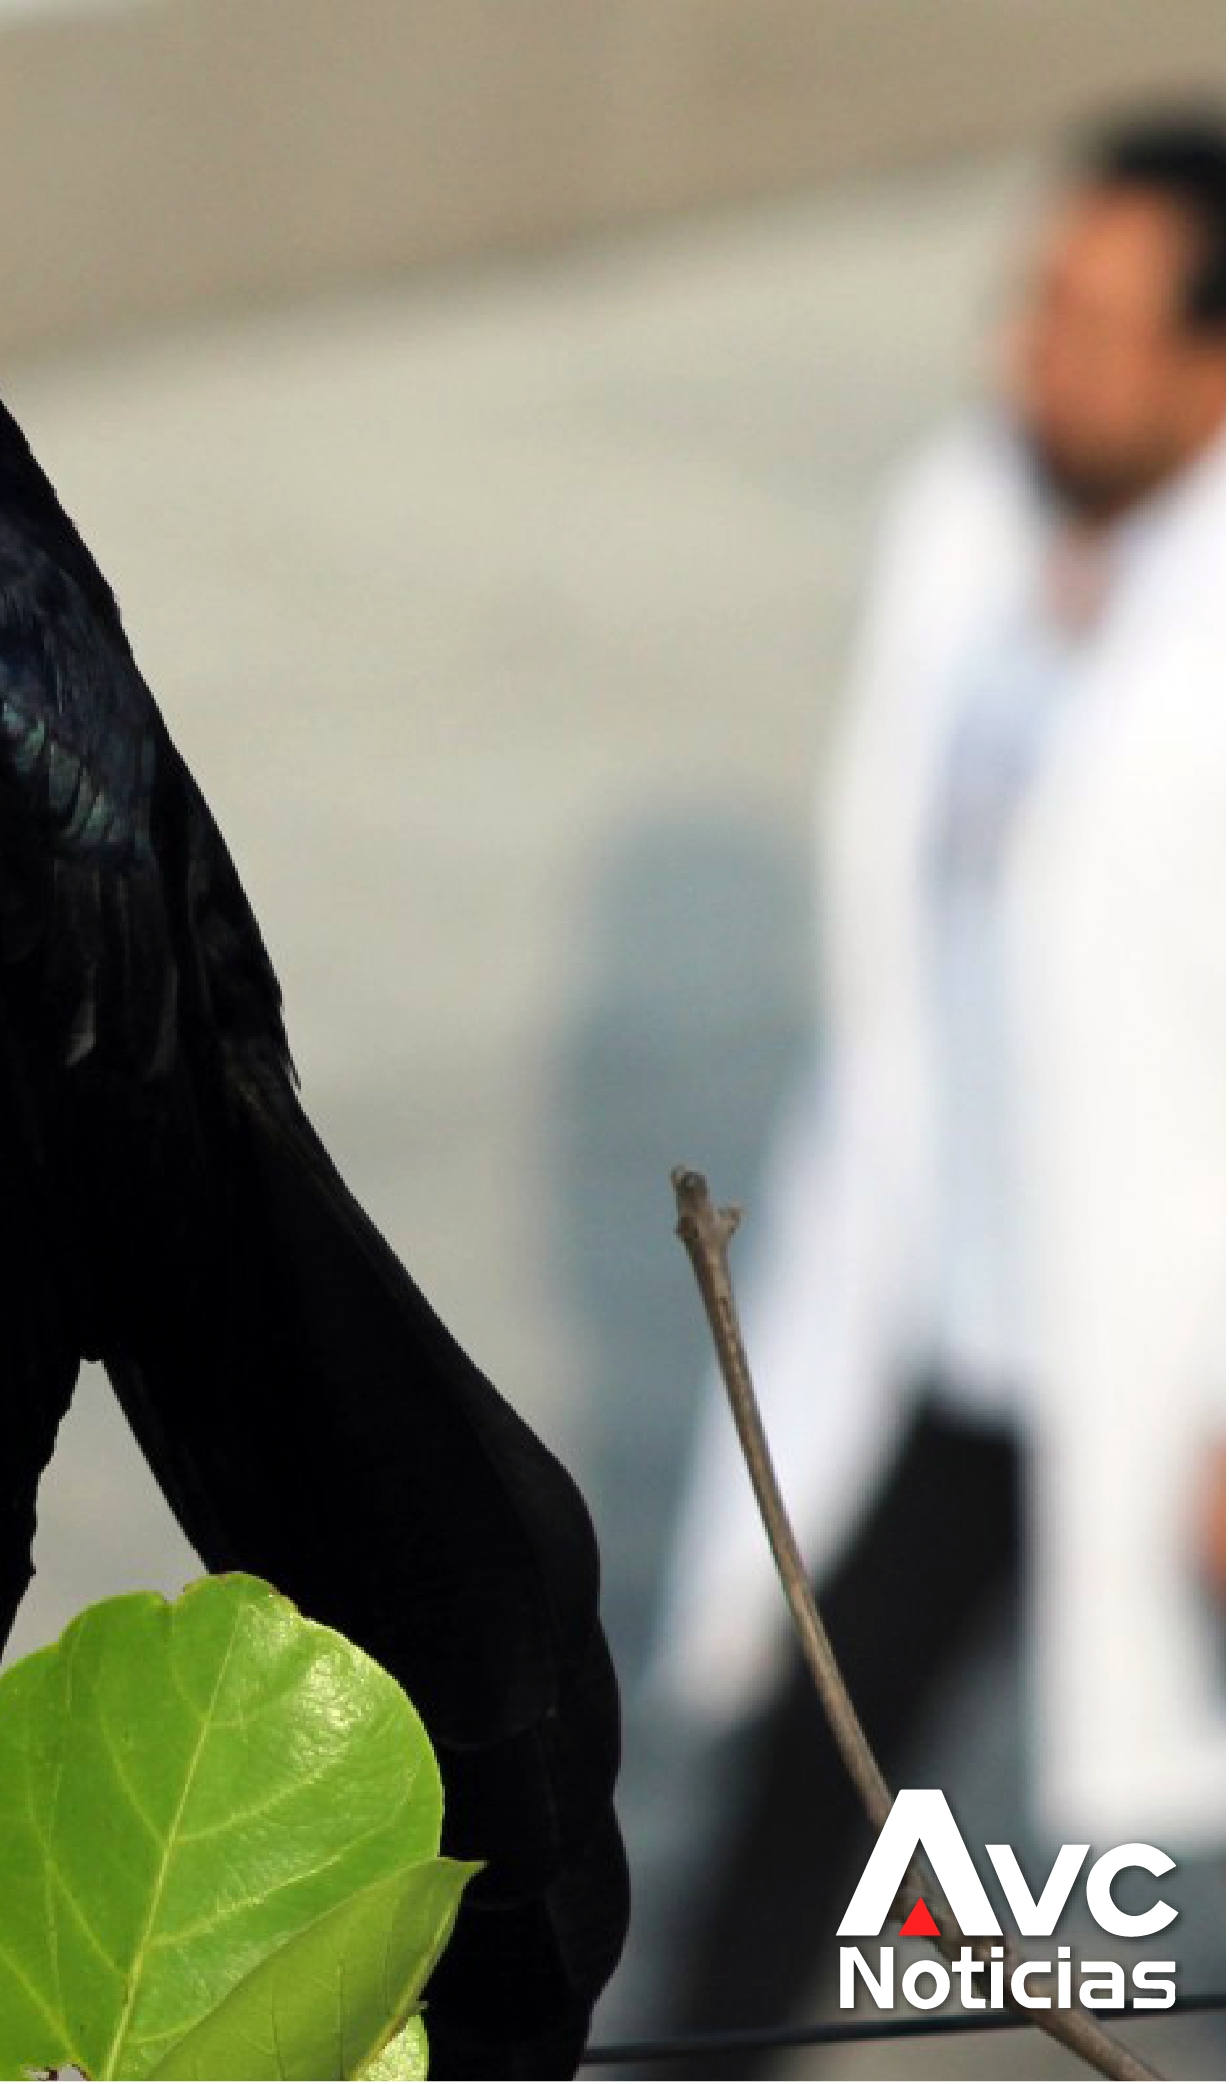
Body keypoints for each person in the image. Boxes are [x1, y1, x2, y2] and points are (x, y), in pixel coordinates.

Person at [652, 116, 1223, 2028]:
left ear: (1210, 368)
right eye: (1027, 302)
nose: (1026, 355)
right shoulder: (966, 532)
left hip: (1179, 1354)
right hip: (970, 1327)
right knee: (805, 1791)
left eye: (1084, 319)